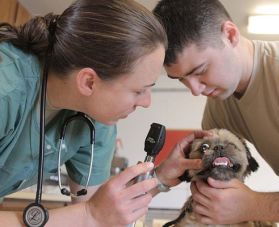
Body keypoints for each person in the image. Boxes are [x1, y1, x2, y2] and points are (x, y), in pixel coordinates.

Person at [0, 0, 206, 226]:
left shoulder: (95, 121)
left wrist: (160, 177)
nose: (147, 102)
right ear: (89, 82)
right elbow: (90, 214)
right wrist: (88, 216)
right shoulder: (6, 86)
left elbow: (101, 210)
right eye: (139, 90)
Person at [153, 0, 279, 226]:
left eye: (200, 71)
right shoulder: (219, 106)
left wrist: (253, 205)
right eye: (182, 79)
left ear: (230, 35)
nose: (195, 90)